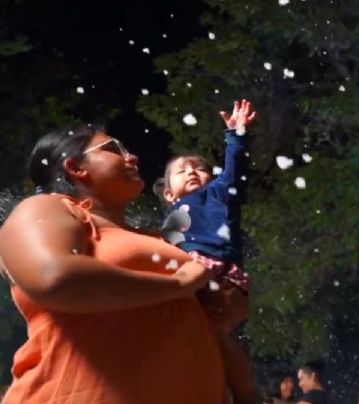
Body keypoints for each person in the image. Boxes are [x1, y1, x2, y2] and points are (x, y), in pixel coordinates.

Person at [0, 125, 252, 403]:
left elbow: (215, 317)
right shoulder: (48, 209)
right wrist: (179, 283)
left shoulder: (159, 238)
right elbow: (54, 278)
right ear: (76, 167)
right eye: (113, 149)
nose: (132, 157)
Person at [155, 99, 255, 294]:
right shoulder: (171, 217)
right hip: (184, 264)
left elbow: (235, 168)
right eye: (181, 171)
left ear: (211, 178)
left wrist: (236, 136)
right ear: (169, 194)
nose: (191, 172)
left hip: (216, 263)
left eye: (199, 169)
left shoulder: (217, 192)